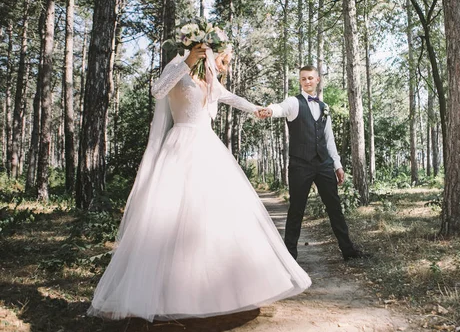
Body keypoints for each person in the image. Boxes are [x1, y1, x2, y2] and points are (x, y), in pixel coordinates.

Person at [87, 45, 311, 322]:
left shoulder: (210, 80)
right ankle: (167, 293)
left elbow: (231, 98)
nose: (225, 67)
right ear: (207, 52)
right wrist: (187, 61)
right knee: (169, 217)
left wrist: (258, 110)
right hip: (179, 147)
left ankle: (221, 292)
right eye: (224, 60)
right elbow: (157, 91)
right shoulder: (177, 67)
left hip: (208, 149)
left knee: (217, 216)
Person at [257, 66, 369, 261]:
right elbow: (280, 108)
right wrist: (269, 110)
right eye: (303, 79)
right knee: (296, 210)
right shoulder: (294, 102)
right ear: (300, 81)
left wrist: (338, 165)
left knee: (334, 207)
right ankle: (289, 256)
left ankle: (348, 251)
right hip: (300, 164)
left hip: (324, 163)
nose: (307, 81)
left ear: (317, 80)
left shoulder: (325, 107)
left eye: (310, 78)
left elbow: (329, 138)